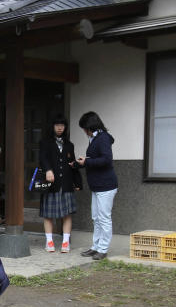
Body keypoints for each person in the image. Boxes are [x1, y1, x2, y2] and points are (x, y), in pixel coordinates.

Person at [76, 111, 117, 261]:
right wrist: (80, 163)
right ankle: (96, 247)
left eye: (84, 128)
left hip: (106, 184)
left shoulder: (103, 138)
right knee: (96, 218)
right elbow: (95, 159)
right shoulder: (95, 139)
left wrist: (86, 162)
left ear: (89, 126)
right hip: (97, 185)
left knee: (104, 218)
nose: (83, 131)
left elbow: (106, 160)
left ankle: (103, 249)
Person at [38, 115, 82, 253]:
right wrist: (48, 170)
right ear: (52, 126)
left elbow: (72, 164)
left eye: (62, 125)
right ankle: (49, 242)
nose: (59, 127)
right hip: (51, 183)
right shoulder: (45, 142)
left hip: (67, 183)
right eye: (57, 125)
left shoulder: (69, 145)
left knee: (67, 214)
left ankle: (65, 243)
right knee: (48, 214)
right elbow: (43, 158)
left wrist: (77, 182)